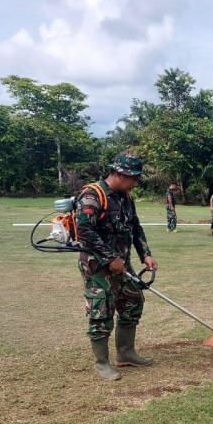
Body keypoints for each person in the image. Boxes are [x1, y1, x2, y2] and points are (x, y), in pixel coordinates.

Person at [75, 150, 158, 381]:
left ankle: (126, 353)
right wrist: (111, 258)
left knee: (133, 301)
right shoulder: (93, 195)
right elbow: (84, 231)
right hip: (97, 266)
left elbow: (135, 227)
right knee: (101, 311)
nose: (136, 183)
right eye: (135, 178)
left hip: (123, 264)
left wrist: (146, 255)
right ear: (121, 174)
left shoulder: (126, 197)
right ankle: (102, 363)